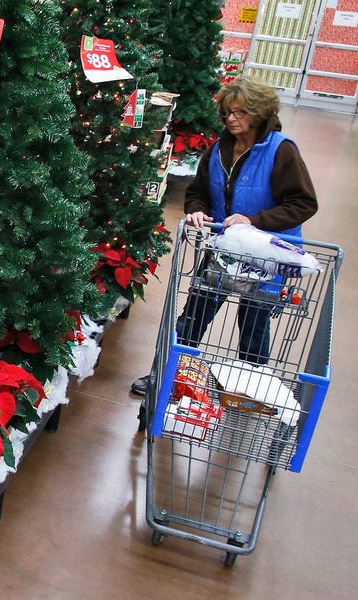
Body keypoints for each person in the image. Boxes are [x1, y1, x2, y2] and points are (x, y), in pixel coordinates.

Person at [131, 77, 317, 396]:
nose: (232, 119)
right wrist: (198, 209)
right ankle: (163, 373)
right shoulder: (219, 150)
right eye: (228, 113)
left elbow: (304, 203)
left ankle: (249, 390)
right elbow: (198, 191)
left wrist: (253, 221)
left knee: (254, 325)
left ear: (259, 113)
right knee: (194, 315)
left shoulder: (281, 151)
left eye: (240, 113)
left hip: (267, 257)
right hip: (224, 251)